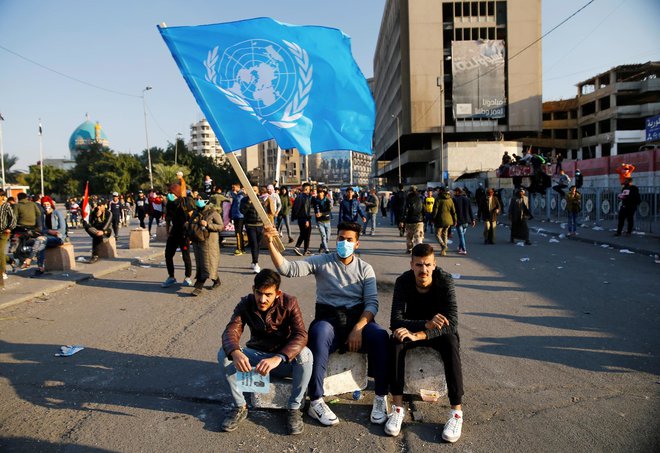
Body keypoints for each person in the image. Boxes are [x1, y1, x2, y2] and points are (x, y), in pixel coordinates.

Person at [264, 222, 390, 430]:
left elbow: (372, 303)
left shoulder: (365, 269)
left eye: (349, 240)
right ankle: (316, 400)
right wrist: (270, 243)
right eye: (341, 239)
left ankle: (380, 398)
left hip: (357, 319)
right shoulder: (322, 261)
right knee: (319, 335)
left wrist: (358, 328)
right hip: (328, 318)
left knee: (380, 336)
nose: (344, 243)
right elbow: (288, 269)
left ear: (356, 244)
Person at [218, 269, 313, 434]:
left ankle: (294, 408)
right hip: (257, 359)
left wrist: (279, 357)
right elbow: (231, 331)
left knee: (306, 355)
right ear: (253, 289)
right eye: (259, 293)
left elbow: (301, 335)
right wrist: (235, 352)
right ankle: (240, 406)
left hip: (283, 361)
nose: (262, 299)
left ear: (277, 293)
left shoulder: (289, 302)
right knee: (224, 354)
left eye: (268, 294)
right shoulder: (246, 303)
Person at [385, 243, 464, 442]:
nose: (424, 270)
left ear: (434, 264)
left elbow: (452, 323)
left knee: (451, 341)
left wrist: (422, 334)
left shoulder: (444, 281)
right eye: (419, 265)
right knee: (395, 340)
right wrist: (424, 324)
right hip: (414, 329)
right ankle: (397, 407)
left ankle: (456, 412)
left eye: (428, 265)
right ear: (411, 264)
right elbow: (395, 320)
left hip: (435, 335)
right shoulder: (403, 282)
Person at [162, 178, 196, 288]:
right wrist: (167, 232)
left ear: (176, 193)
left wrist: (191, 233)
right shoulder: (169, 204)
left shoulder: (185, 202)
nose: (169, 195)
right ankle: (171, 277)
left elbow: (192, 217)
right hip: (174, 232)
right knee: (168, 255)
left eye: (171, 193)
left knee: (186, 256)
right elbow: (167, 219)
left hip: (184, 233)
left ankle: (187, 277)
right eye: (169, 193)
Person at [21, 196, 67, 274]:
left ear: (51, 204)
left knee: (40, 240)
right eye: (44, 204)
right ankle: (40, 267)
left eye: (47, 204)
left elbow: (62, 229)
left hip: (58, 238)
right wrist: (49, 231)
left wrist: (50, 232)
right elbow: (42, 230)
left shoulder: (57, 213)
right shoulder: (43, 215)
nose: (46, 206)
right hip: (46, 237)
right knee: (41, 243)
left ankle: (29, 259)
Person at [189, 197, 223, 296]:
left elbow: (221, 226)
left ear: (206, 201)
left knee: (207, 264)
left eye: (200, 199)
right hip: (197, 241)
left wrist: (208, 225)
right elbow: (191, 223)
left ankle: (199, 286)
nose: (198, 201)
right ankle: (216, 281)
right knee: (202, 264)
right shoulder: (196, 212)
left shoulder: (213, 213)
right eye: (197, 199)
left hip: (209, 243)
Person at [240, 185, 266, 273]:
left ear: (258, 192)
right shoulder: (244, 200)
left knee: (258, 244)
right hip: (250, 225)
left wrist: (266, 224)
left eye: (255, 190)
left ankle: (254, 260)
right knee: (254, 244)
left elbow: (264, 212)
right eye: (252, 190)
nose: (253, 192)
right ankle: (256, 263)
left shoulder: (261, 200)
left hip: (260, 225)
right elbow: (242, 211)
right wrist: (249, 202)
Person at [431, 189, 456, 256]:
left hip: (440, 220)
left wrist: (433, 219)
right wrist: (455, 220)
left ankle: (443, 245)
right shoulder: (450, 200)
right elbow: (453, 211)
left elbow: (435, 210)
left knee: (437, 234)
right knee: (445, 234)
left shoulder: (438, 199)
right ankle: (443, 251)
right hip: (448, 220)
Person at [0, 189, 17, 286]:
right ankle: (11, 261)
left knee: (0, 252)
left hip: (3, 232)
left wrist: (9, 228)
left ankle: (2, 273)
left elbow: (13, 219)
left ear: (2, 197)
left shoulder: (6, 206)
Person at [291, 182, 313, 256]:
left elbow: (294, 209)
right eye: (309, 189)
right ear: (306, 189)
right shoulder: (305, 197)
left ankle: (306, 249)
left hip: (300, 219)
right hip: (305, 218)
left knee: (305, 234)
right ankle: (297, 247)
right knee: (305, 234)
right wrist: (307, 220)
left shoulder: (298, 197)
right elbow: (306, 210)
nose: (310, 191)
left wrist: (294, 217)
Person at [401, 186, 424, 254]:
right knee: (419, 236)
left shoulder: (407, 199)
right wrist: (423, 218)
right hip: (419, 220)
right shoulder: (420, 198)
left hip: (409, 220)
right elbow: (423, 209)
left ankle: (409, 249)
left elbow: (404, 210)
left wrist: (402, 220)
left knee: (409, 237)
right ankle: (419, 250)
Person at [452, 188, 475, 255]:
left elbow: (454, 211)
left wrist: (454, 220)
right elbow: (470, 210)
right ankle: (460, 247)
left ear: (458, 192)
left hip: (459, 221)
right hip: (466, 221)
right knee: (462, 235)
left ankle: (464, 249)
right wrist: (472, 219)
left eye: (455, 192)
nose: (454, 193)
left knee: (461, 236)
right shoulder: (467, 199)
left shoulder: (455, 199)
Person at [313, 187, 332, 254]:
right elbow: (316, 211)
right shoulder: (316, 201)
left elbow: (329, 211)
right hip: (320, 222)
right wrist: (317, 216)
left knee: (328, 237)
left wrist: (322, 214)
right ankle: (326, 249)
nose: (320, 194)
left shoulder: (327, 201)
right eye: (319, 192)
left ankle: (322, 246)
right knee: (323, 236)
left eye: (321, 192)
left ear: (323, 193)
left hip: (327, 221)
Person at [229, 183, 246, 255]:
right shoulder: (236, 195)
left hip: (240, 216)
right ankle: (242, 248)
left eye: (234, 187)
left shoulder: (241, 194)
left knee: (238, 233)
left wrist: (233, 194)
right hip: (236, 215)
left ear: (238, 187)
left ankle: (239, 249)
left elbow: (239, 201)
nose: (232, 188)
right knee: (238, 233)